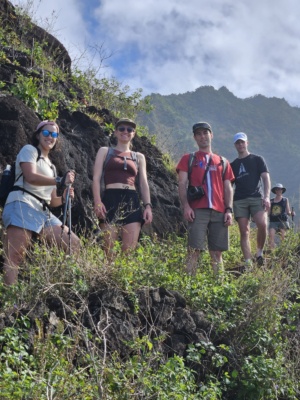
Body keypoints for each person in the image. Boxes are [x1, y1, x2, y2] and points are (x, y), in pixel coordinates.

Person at [2, 120, 81, 286]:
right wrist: (59, 180)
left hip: (43, 212)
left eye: (54, 135)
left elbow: (52, 201)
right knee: (15, 256)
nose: (50, 137)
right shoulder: (29, 150)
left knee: (73, 242)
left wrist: (64, 197)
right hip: (22, 203)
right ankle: (11, 306)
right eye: (46, 133)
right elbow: (30, 176)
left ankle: (64, 288)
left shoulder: (52, 167)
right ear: (38, 135)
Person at [177, 121, 234, 277]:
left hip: (219, 211)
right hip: (197, 210)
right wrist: (186, 207)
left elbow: (228, 187)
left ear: (211, 135)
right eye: (199, 134)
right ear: (195, 138)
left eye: (205, 133)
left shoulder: (223, 161)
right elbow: (182, 183)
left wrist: (229, 210)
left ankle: (219, 287)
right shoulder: (188, 159)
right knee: (194, 250)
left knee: (217, 253)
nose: (202, 136)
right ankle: (188, 288)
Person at [93, 118, 153, 257]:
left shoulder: (139, 157)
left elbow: (144, 183)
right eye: (121, 129)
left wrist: (148, 206)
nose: (125, 132)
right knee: (109, 251)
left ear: (134, 133)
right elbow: (96, 178)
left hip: (132, 201)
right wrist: (97, 201)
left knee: (129, 253)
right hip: (110, 199)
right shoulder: (104, 151)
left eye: (129, 129)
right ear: (115, 132)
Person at [231, 132, 271, 267]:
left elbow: (266, 178)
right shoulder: (233, 165)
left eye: (242, 142)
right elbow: (229, 186)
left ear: (247, 143)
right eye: (238, 142)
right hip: (239, 200)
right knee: (244, 230)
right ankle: (248, 262)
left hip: (256, 197)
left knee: (262, 224)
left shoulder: (257, 159)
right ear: (235, 145)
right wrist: (227, 206)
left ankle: (259, 253)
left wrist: (266, 197)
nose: (240, 144)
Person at [268, 183, 295, 249]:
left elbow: (288, 212)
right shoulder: (271, 201)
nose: (279, 191)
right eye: (277, 189)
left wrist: (291, 213)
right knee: (271, 235)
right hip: (273, 221)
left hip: (283, 221)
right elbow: (268, 212)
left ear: (282, 190)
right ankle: (272, 251)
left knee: (283, 236)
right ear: (275, 191)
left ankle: (283, 250)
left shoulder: (285, 200)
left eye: (280, 189)